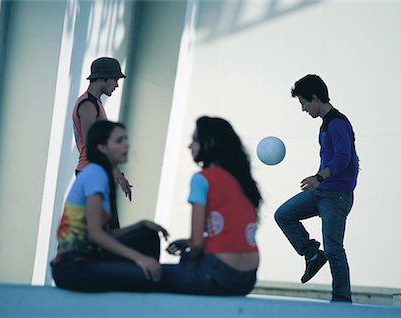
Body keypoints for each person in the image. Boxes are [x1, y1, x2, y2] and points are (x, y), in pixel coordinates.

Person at [51, 120, 169, 292]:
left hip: (90, 256)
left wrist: (140, 224)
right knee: (148, 275)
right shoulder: (96, 173)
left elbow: (105, 234)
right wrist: (140, 259)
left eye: (126, 139)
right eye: (119, 141)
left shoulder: (102, 175)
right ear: (102, 147)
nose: (126, 145)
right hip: (73, 266)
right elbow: (96, 235)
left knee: (148, 234)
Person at [274, 74, 359, 303]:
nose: (303, 109)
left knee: (334, 248)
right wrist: (319, 182)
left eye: (303, 103)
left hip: (336, 196)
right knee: (283, 215)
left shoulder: (338, 123)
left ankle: (342, 300)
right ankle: (311, 253)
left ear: (315, 98)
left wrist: (319, 178)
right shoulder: (325, 124)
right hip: (321, 192)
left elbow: (344, 158)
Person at [159, 116, 262, 295]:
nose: (189, 146)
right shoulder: (243, 181)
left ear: (209, 143)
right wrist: (189, 243)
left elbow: (197, 243)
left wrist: (189, 255)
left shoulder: (202, 179)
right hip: (248, 278)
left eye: (194, 140)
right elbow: (232, 233)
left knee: (153, 274)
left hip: (219, 274)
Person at [72, 57, 132, 201]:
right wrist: (115, 171)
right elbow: (92, 144)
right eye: (115, 79)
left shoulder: (94, 103)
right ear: (103, 78)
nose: (117, 85)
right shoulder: (88, 104)